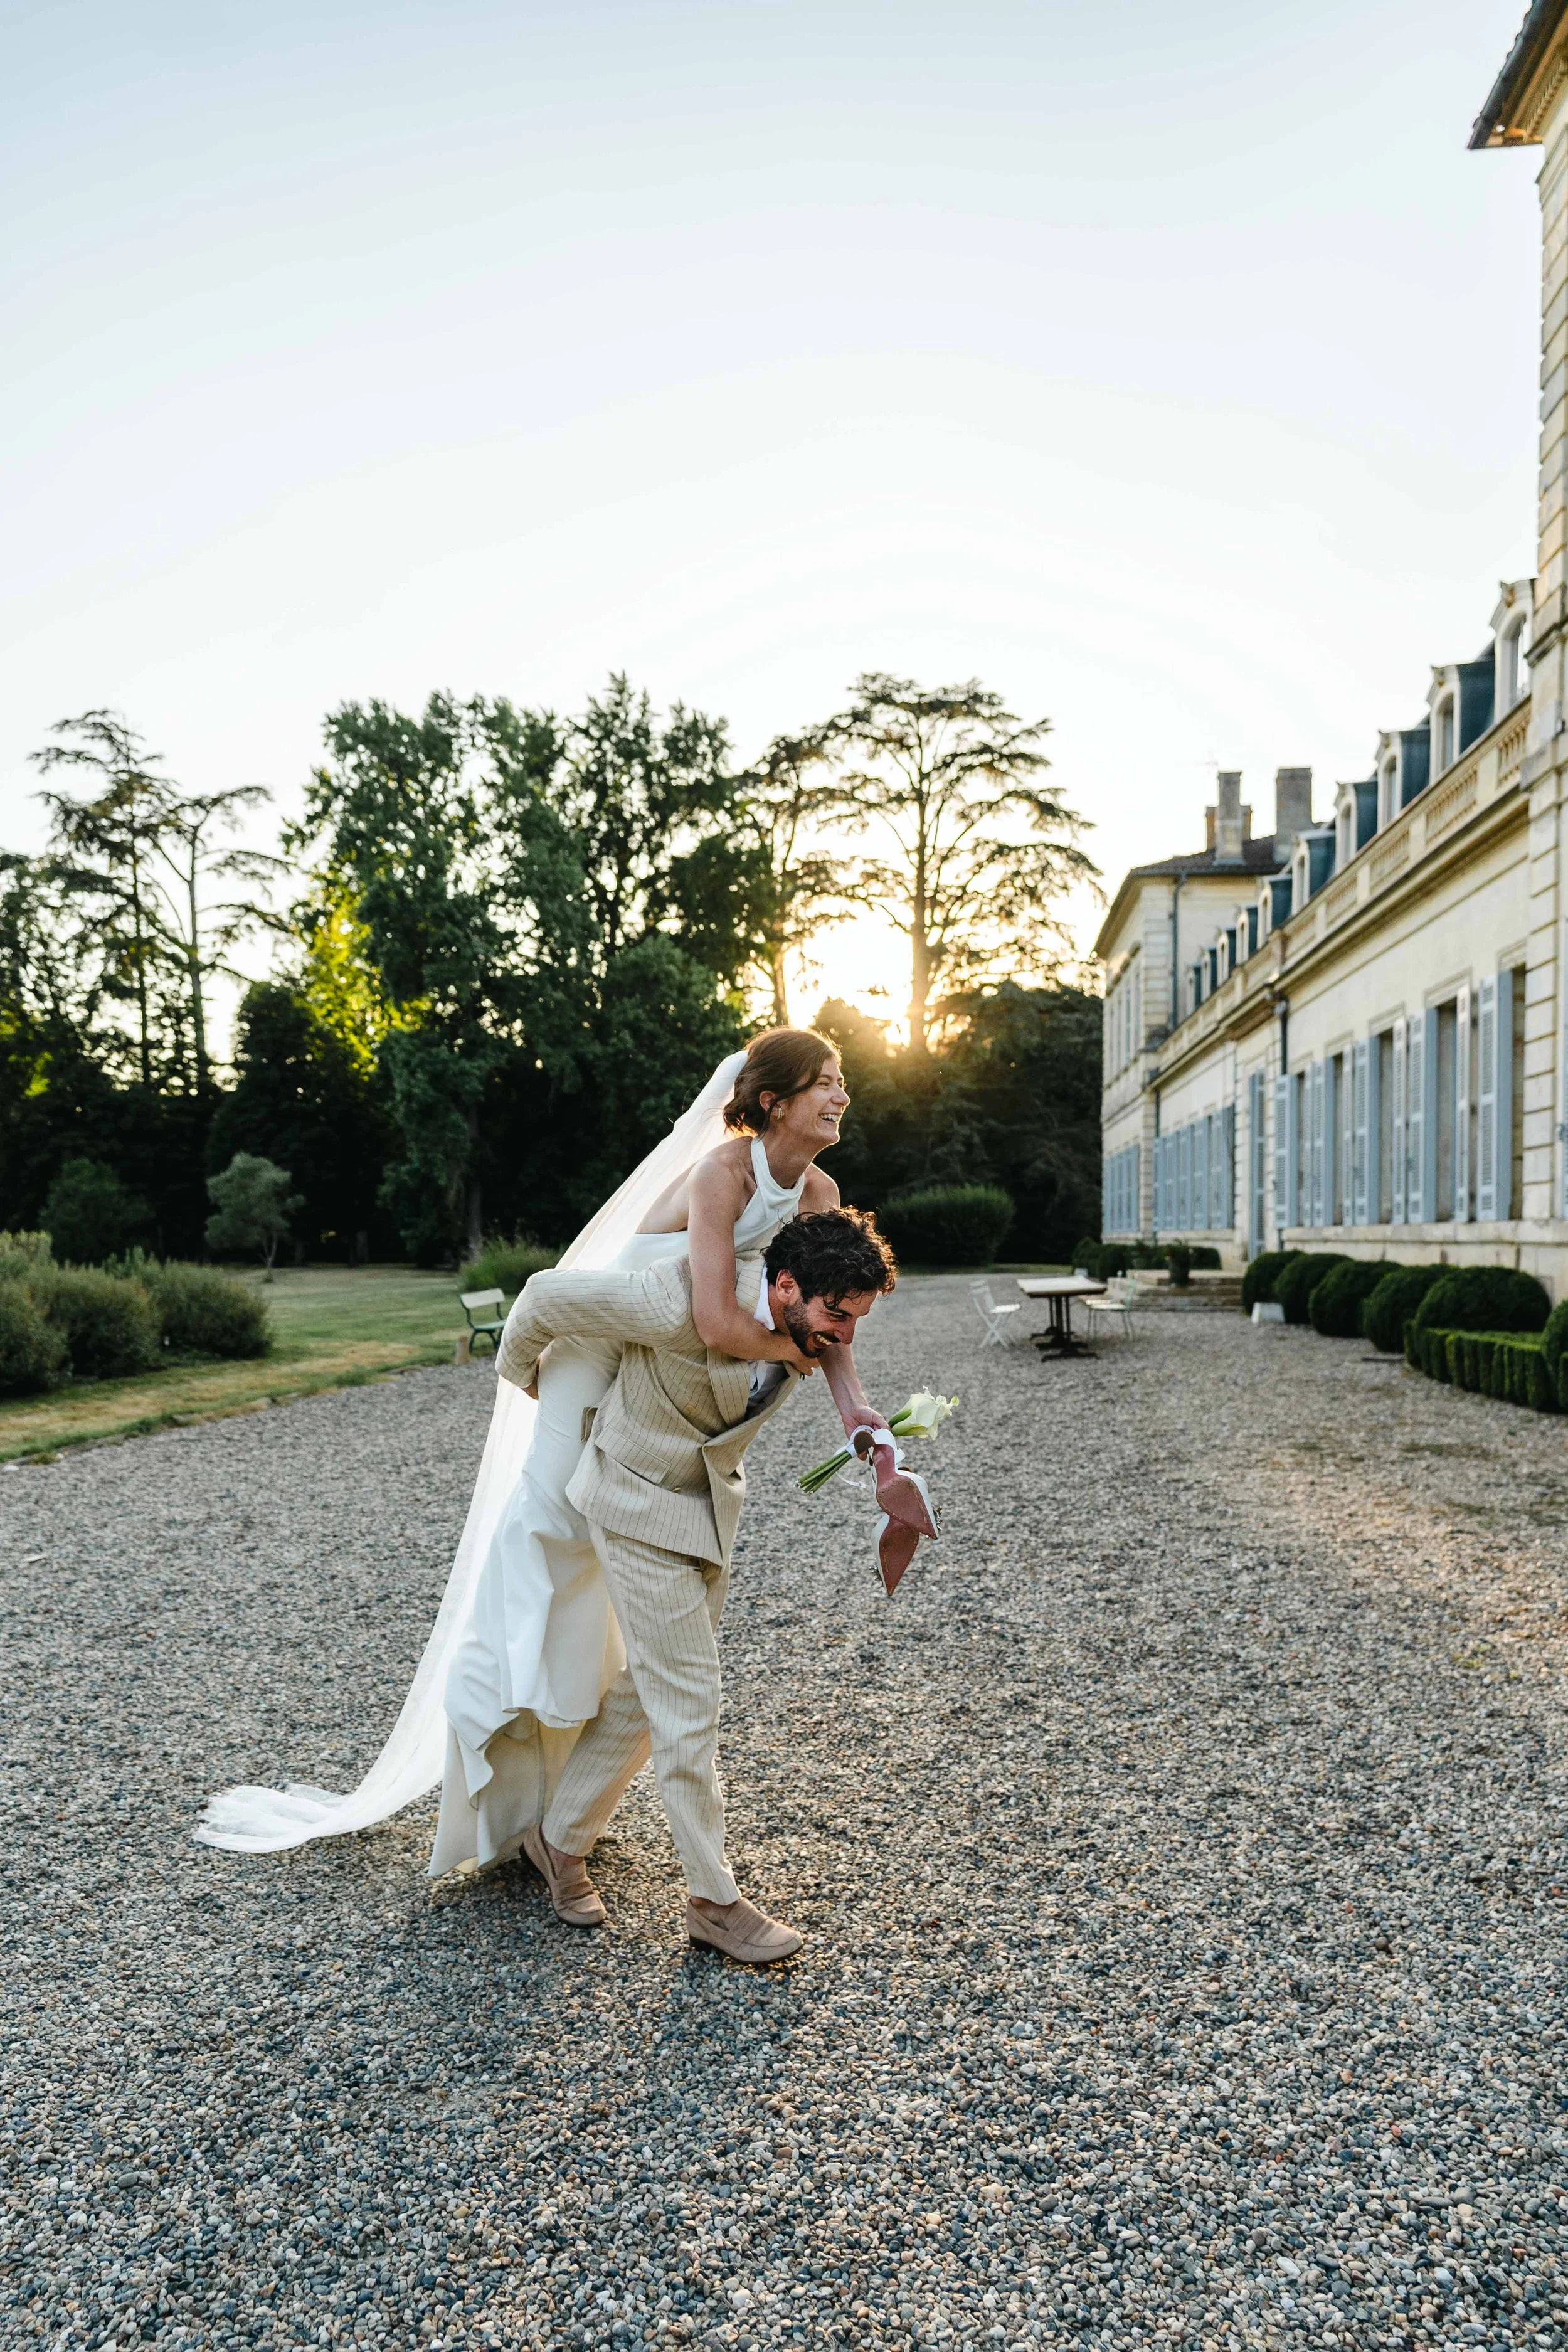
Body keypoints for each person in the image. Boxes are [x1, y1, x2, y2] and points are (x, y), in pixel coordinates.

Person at [194, 1030, 928, 1867]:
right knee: (551, 1547)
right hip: (608, 1336)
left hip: (671, 1354)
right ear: (771, 1100)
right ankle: (502, 1795)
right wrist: (533, 1383)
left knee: (618, 1594)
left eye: (844, 1083)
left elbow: (826, 1311)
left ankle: (560, 1804)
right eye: (825, 1083)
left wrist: (865, 1426)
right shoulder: (725, 1170)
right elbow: (720, 1317)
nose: (842, 1097)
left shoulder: (821, 1187)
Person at [448, 1204, 898, 1963]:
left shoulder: (811, 1324)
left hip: (708, 1513)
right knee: (690, 1702)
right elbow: (539, 1300)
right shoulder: (674, 1299)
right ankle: (714, 1902)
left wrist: (879, 1445)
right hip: (631, 1503)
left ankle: (557, 1840)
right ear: (784, 1285)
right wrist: (541, 1402)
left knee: (643, 1694)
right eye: (837, 1316)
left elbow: (845, 1385)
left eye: (856, 1320)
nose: (844, 1335)